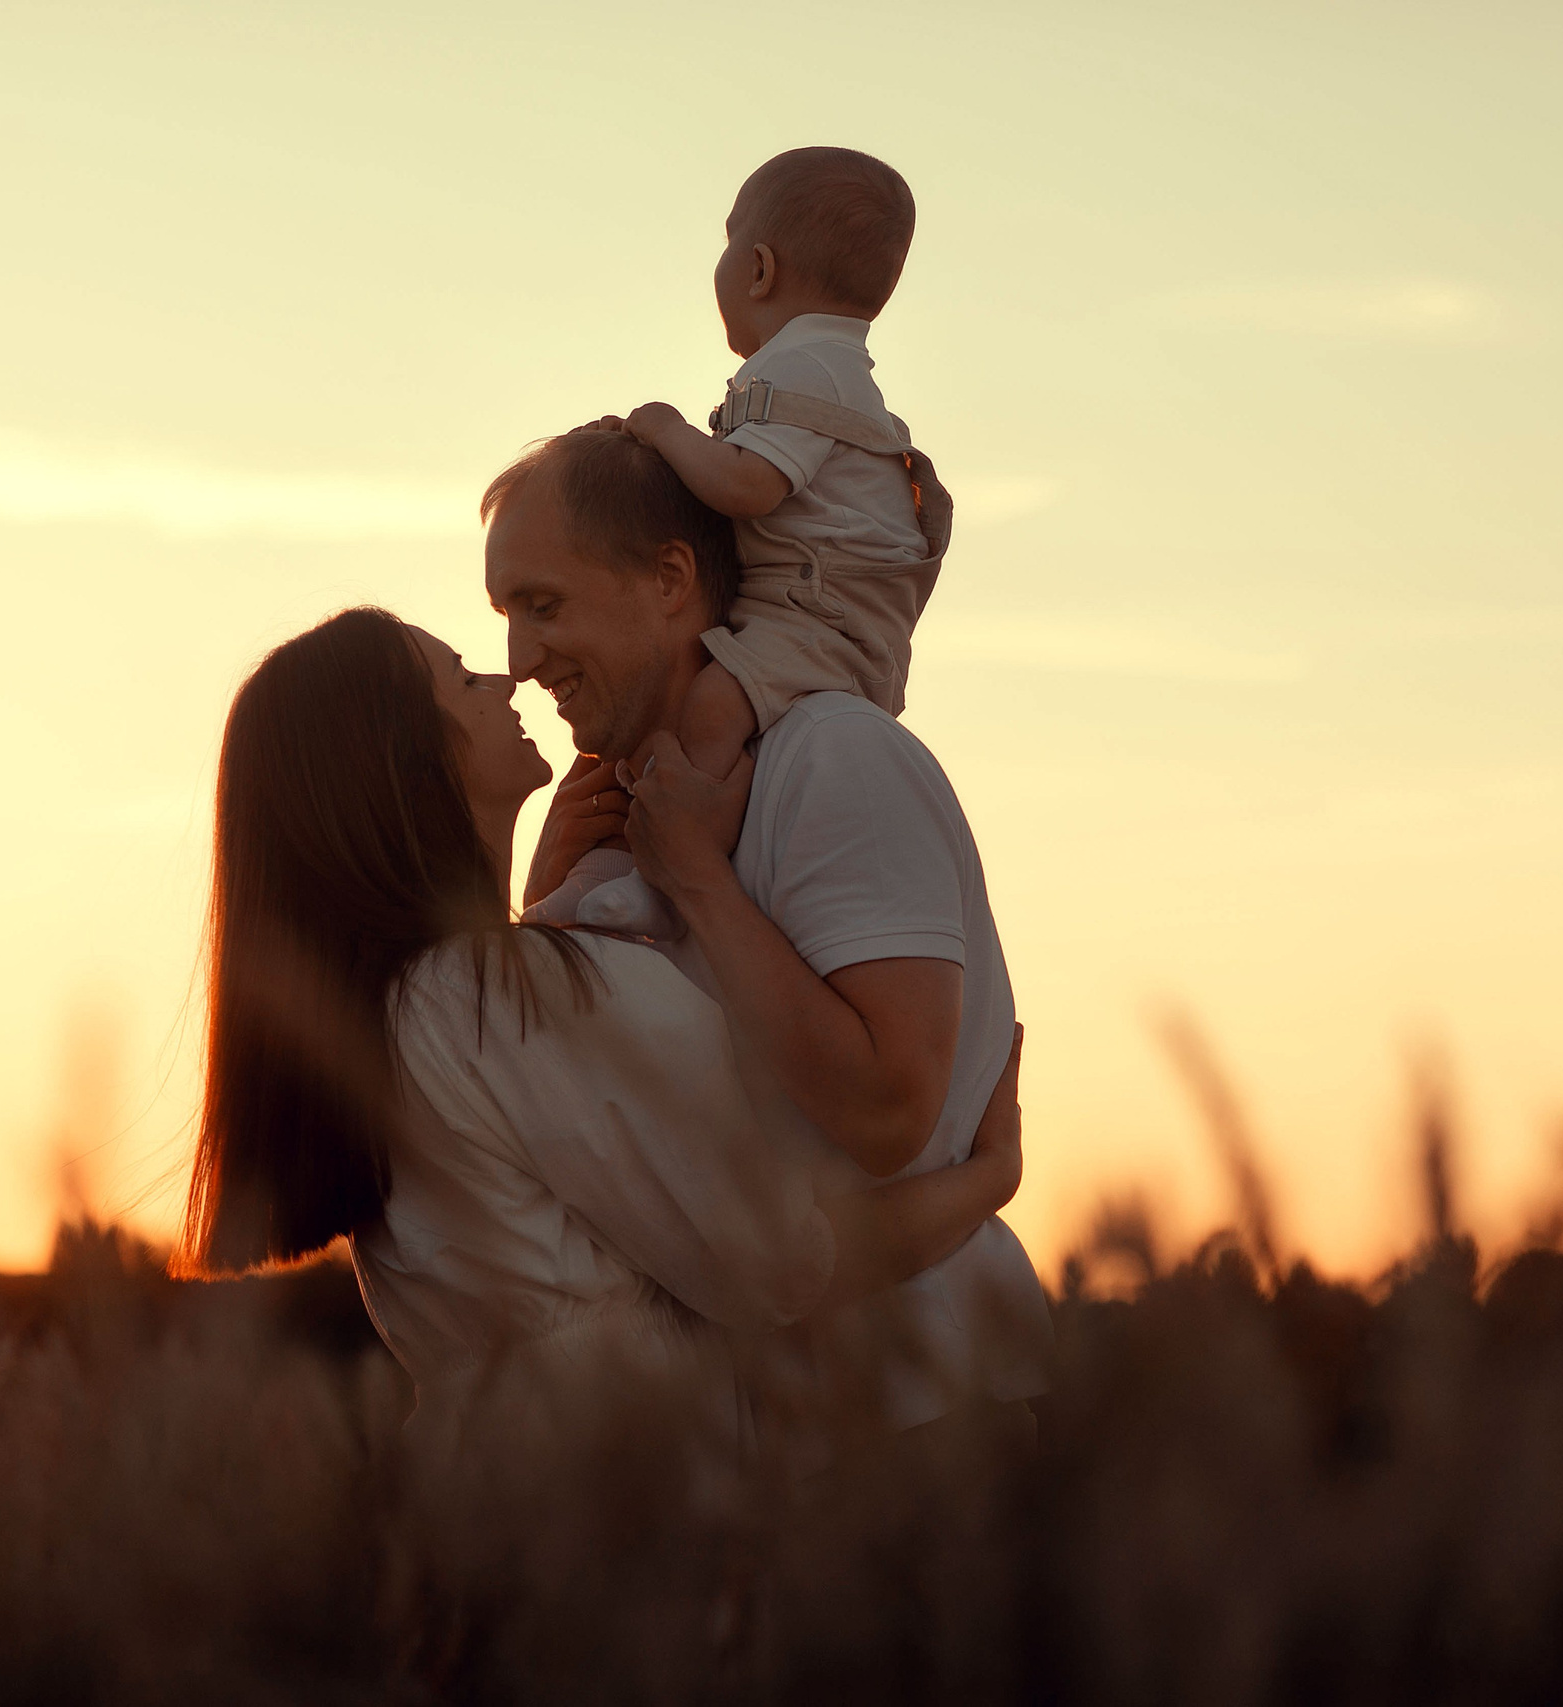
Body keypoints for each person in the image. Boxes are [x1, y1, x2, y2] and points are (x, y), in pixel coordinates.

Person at [178, 605, 1021, 1441]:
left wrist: (541, 921)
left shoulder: (406, 1012)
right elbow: (786, 1261)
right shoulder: (496, 996)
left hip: (510, 1510)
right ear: (404, 756)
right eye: (463, 678)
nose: (505, 676)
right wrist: (987, 1180)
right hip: (631, 1509)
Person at [486, 430, 1050, 1434]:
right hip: (779, 1458)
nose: (521, 662)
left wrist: (699, 883)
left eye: (544, 605)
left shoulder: (832, 763)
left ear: (669, 579)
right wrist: (548, 901)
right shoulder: (628, 828)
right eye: (507, 617)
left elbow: (887, 1110)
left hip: (935, 1433)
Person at [532, 146, 952, 941]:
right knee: (672, 729)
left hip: (818, 615)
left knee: (712, 712)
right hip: (810, 603)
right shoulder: (822, 366)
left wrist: (663, 425)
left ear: (758, 268)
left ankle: (673, 876)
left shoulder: (807, 367)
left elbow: (748, 487)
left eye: (726, 243)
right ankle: (606, 881)